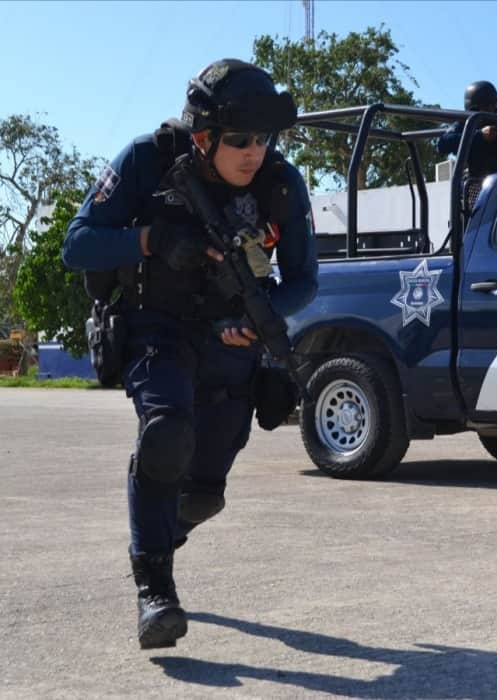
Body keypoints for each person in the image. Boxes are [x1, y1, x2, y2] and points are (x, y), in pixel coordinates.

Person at [62, 59, 318, 649]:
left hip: (230, 339)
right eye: (240, 140)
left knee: (203, 495)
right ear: (204, 136)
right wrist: (150, 239)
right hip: (156, 326)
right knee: (166, 436)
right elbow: (78, 245)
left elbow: (305, 279)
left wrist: (259, 321)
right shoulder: (147, 160)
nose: (254, 153)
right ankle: (155, 588)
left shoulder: (280, 183)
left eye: (263, 139)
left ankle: (156, 537)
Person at [437, 80, 497, 212]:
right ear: (476, 108)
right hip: (480, 191)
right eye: (491, 105)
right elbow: (442, 144)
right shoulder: (466, 124)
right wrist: (480, 136)